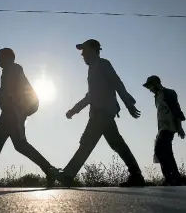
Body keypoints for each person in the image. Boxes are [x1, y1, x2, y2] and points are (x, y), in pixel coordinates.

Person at [58, 39, 145, 187]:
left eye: (84, 51)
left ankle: (68, 174)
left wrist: (129, 103)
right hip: (100, 112)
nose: (82, 55)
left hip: (102, 112)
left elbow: (117, 83)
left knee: (87, 142)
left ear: (94, 50)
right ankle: (136, 174)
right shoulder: (92, 69)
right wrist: (75, 109)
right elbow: (90, 96)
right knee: (116, 143)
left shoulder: (103, 64)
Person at [0, 48, 59, 188]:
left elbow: (5, 91)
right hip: (13, 112)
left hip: (12, 112)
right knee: (19, 145)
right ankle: (50, 170)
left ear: (8, 58)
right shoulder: (12, 69)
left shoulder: (12, 69)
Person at [143, 75, 186, 186]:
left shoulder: (169, 93)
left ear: (156, 83)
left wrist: (179, 127)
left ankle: (174, 178)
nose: (150, 90)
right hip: (162, 128)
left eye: (150, 86)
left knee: (161, 150)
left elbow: (176, 109)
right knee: (163, 151)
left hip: (169, 126)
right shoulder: (157, 97)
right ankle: (171, 178)